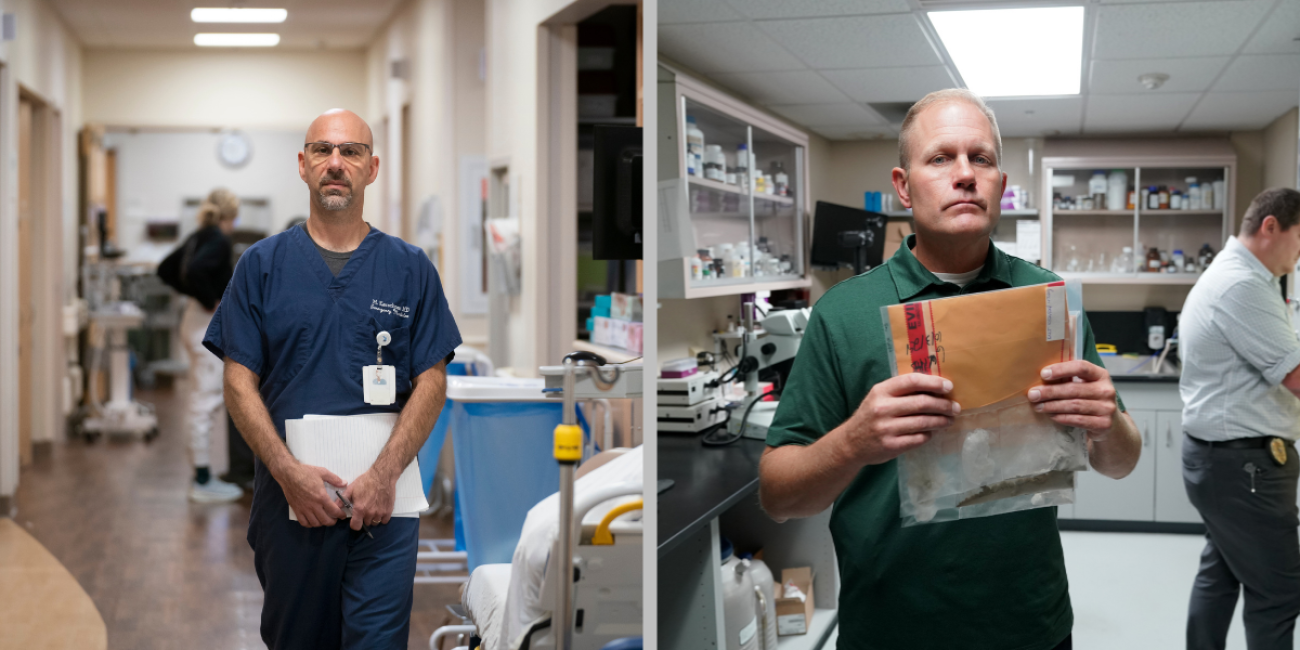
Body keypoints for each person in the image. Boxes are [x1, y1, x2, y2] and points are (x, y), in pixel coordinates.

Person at [757, 89, 1142, 649]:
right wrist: (854, 442)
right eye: (940, 158)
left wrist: (1107, 421)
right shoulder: (843, 314)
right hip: (893, 628)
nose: (965, 174)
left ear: (1001, 187)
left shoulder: (1049, 299)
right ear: (903, 185)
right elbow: (778, 495)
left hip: (1030, 626)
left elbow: (1122, 463)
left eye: (980, 158)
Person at [203, 108, 461, 649]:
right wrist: (287, 471)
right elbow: (237, 379)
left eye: (351, 152)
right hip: (291, 503)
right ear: (303, 165)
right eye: (322, 150)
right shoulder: (263, 265)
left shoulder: (410, 268)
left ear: (372, 168)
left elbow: (432, 379)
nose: (336, 163)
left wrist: (385, 473)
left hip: (385, 507)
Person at [1179, 188, 1300, 650]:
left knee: (1222, 573)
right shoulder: (1241, 285)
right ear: (1271, 227)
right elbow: (1293, 375)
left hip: (1225, 462)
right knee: (1278, 592)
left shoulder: (1248, 278)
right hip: (1244, 467)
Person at [163, 188, 244, 502]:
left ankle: (202, 476)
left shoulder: (198, 235)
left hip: (192, 320)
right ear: (230, 216)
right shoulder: (219, 240)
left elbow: (166, 269)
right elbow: (195, 271)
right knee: (206, 399)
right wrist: (209, 298)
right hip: (203, 325)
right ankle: (201, 480)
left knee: (202, 396)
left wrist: (197, 297)